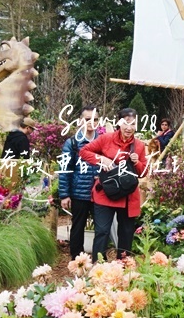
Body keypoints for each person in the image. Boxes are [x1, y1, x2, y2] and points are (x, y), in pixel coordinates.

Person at [80, 108, 147, 259]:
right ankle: (98, 268)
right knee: (102, 232)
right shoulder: (106, 139)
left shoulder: (140, 145)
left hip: (128, 196)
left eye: (133, 124)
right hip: (106, 193)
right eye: (125, 123)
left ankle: (123, 268)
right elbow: (84, 151)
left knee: (126, 234)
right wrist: (102, 159)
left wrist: (136, 162)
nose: (129, 128)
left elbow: (143, 173)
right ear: (119, 123)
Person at [58, 105, 101, 260]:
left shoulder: (103, 141)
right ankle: (77, 259)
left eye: (95, 119)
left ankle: (99, 259)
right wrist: (64, 195)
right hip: (79, 192)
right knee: (78, 227)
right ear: (80, 121)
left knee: (102, 228)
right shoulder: (72, 143)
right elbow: (64, 169)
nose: (91, 122)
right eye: (87, 119)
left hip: (100, 193)